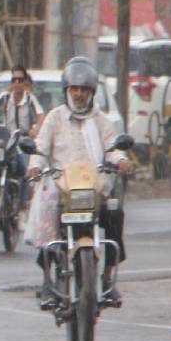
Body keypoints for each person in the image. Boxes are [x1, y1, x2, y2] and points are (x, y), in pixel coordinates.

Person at [27, 56, 133, 308]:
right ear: (67, 91)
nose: (79, 94)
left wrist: (121, 160)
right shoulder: (54, 118)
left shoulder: (100, 120)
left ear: (91, 92)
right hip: (62, 188)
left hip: (93, 188)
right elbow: (40, 149)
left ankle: (108, 279)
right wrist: (34, 166)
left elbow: (112, 147)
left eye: (84, 89)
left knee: (115, 212)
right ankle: (47, 282)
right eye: (74, 89)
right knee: (47, 208)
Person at [0, 64, 43, 209]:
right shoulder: (5, 97)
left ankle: (21, 206)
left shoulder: (30, 100)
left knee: (26, 171)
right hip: (7, 141)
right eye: (14, 80)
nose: (17, 83)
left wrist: (36, 129)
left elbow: (40, 115)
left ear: (25, 82)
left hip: (24, 143)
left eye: (20, 80)